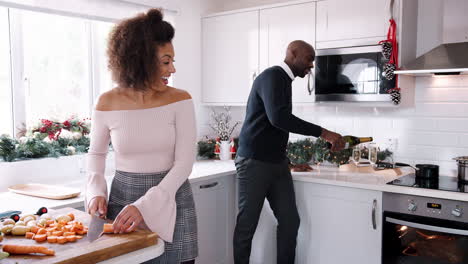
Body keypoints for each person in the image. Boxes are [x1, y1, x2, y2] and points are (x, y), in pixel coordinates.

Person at [85, 9, 198, 264]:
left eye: (172, 60)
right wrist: (95, 192)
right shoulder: (107, 102)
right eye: (165, 61)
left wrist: (145, 205)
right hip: (123, 200)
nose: (173, 68)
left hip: (172, 196)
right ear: (140, 60)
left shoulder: (180, 100)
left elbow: (184, 163)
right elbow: (97, 154)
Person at [234, 40, 345, 264]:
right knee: (247, 226)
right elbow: (279, 118)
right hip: (254, 162)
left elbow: (273, 125)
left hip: (277, 163)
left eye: (312, 61)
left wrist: (289, 161)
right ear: (292, 54)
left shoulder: (284, 81)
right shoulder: (272, 76)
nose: (311, 65)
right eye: (308, 59)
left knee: (290, 221)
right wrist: (324, 133)